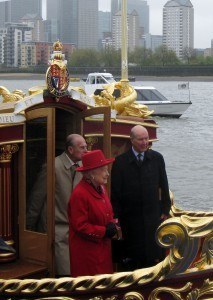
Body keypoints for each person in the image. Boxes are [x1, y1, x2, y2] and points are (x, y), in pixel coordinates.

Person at [111, 125, 171, 270]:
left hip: (152, 216)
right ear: (131, 140)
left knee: (152, 254)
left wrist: (165, 209)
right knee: (132, 256)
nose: (144, 142)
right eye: (140, 139)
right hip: (130, 217)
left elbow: (164, 185)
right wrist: (115, 216)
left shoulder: (157, 158)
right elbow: (115, 192)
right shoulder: (120, 162)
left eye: (146, 139)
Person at [26, 133, 87, 276]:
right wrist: (29, 227)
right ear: (70, 150)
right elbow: (37, 197)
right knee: (64, 274)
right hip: (56, 230)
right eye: (82, 147)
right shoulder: (52, 166)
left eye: (86, 146)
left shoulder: (84, 167)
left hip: (78, 230)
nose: (86, 150)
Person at [68, 150, 118, 277]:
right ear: (91, 173)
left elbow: (108, 213)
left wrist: (112, 225)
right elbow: (80, 226)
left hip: (102, 250)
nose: (107, 174)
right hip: (88, 254)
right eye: (104, 170)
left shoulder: (101, 188)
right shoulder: (80, 194)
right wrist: (104, 231)